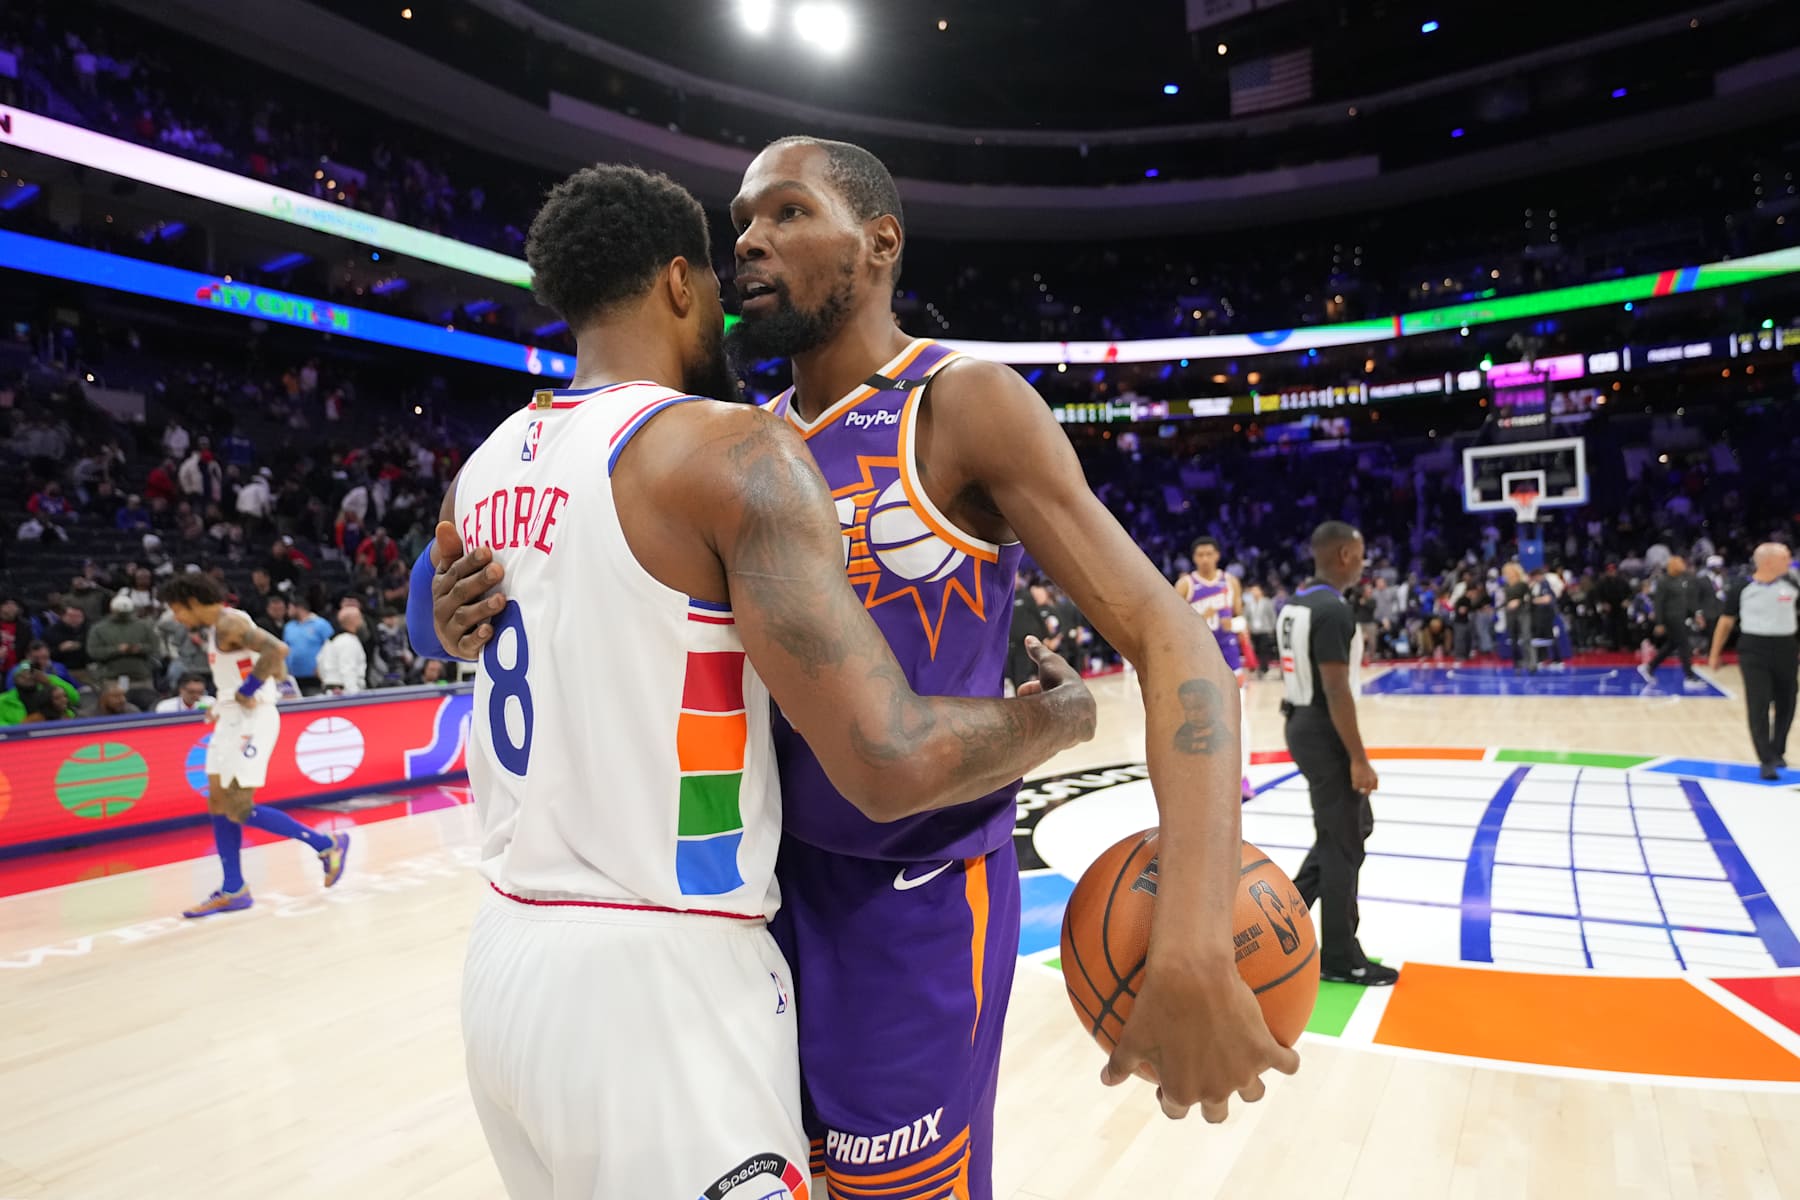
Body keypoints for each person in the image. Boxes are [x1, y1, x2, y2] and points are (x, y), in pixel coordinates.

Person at [432, 141, 1295, 1197]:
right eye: (742, 219)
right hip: (749, 911)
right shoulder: (730, 440)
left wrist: (1199, 931)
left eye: (789, 213)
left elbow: (1174, 640)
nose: (748, 238)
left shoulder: (962, 402)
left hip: (912, 905)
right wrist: (448, 614)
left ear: (879, 242)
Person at [159, 574, 349, 918]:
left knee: (237, 806)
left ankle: (326, 845)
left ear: (190, 601)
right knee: (217, 801)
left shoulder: (230, 623)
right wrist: (224, 703)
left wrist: (248, 691)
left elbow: (277, 650)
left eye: (176, 609)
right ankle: (234, 888)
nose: (177, 618)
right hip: (231, 719)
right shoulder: (220, 627)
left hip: (252, 720)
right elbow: (252, 670)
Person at [1275, 522, 1396, 987]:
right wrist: (1359, 758)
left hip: (1299, 722)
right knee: (1343, 843)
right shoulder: (1332, 609)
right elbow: (1335, 688)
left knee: (1347, 830)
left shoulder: (1297, 602)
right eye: (1362, 554)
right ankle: (1341, 957)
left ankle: (1279, 915)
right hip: (1324, 730)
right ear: (1345, 554)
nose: (1364, 563)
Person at [1709, 543, 1799, 780]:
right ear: (1768, 561)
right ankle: (1765, 758)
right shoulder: (1742, 587)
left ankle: (1778, 749)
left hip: (1786, 647)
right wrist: (1714, 654)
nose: (1789, 562)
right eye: (1786, 557)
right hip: (1753, 649)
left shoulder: (1792, 585)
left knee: (1787, 701)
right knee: (1758, 703)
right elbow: (1726, 622)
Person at [1176, 536, 1254, 799]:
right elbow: (1174, 624)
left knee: (1239, 717)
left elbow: (1241, 618)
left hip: (1230, 661)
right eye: (1200, 555)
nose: (1205, 559)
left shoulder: (1230, 582)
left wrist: (1238, 626)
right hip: (1198, 662)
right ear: (1194, 558)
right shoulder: (1186, 585)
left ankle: (1242, 776)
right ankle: (1208, 777)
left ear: (1218, 555)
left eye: (1210, 553)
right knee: (1201, 720)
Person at [1641, 555, 1705, 686]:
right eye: (1680, 563)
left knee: (1672, 645)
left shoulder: (1682, 580)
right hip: (1671, 619)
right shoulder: (1664, 581)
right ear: (1673, 565)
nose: (1683, 565)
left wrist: (1695, 615)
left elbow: (1687, 602)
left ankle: (1649, 667)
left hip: (1681, 617)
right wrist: (1659, 623)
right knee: (1684, 645)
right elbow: (1658, 603)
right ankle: (1689, 677)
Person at [317, 603, 368, 695]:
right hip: (344, 692)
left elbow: (320, 663)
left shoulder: (332, 640)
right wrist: (354, 695)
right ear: (354, 621)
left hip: (331, 689)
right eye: (360, 618)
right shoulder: (348, 641)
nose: (362, 622)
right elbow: (348, 669)